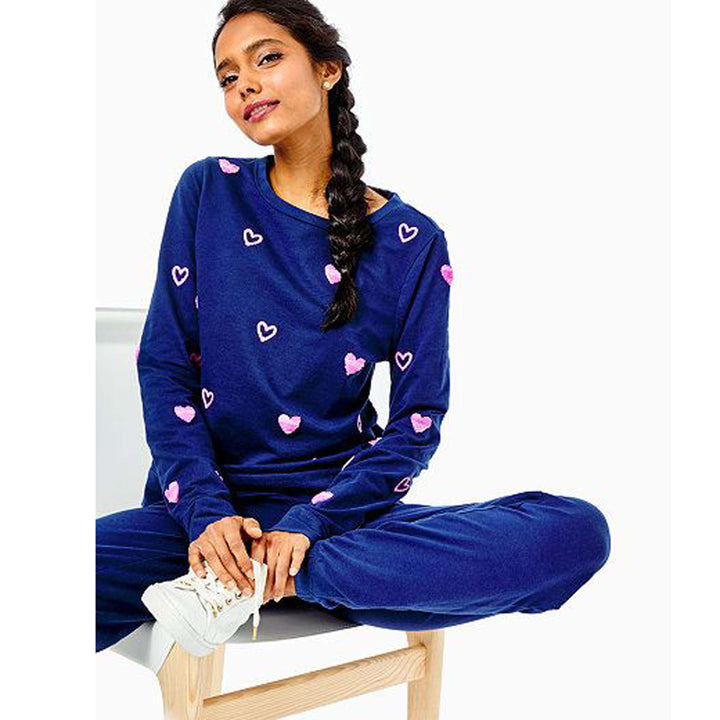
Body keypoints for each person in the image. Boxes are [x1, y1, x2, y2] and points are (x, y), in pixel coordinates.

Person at [96, 0, 611, 654]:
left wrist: (309, 528)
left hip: (341, 523)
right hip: (200, 528)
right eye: (227, 77)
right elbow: (165, 367)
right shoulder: (207, 191)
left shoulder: (411, 242)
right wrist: (208, 514)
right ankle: (246, 573)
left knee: (577, 532)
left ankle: (272, 578)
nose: (244, 84)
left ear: (328, 69)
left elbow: (417, 420)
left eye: (266, 58)